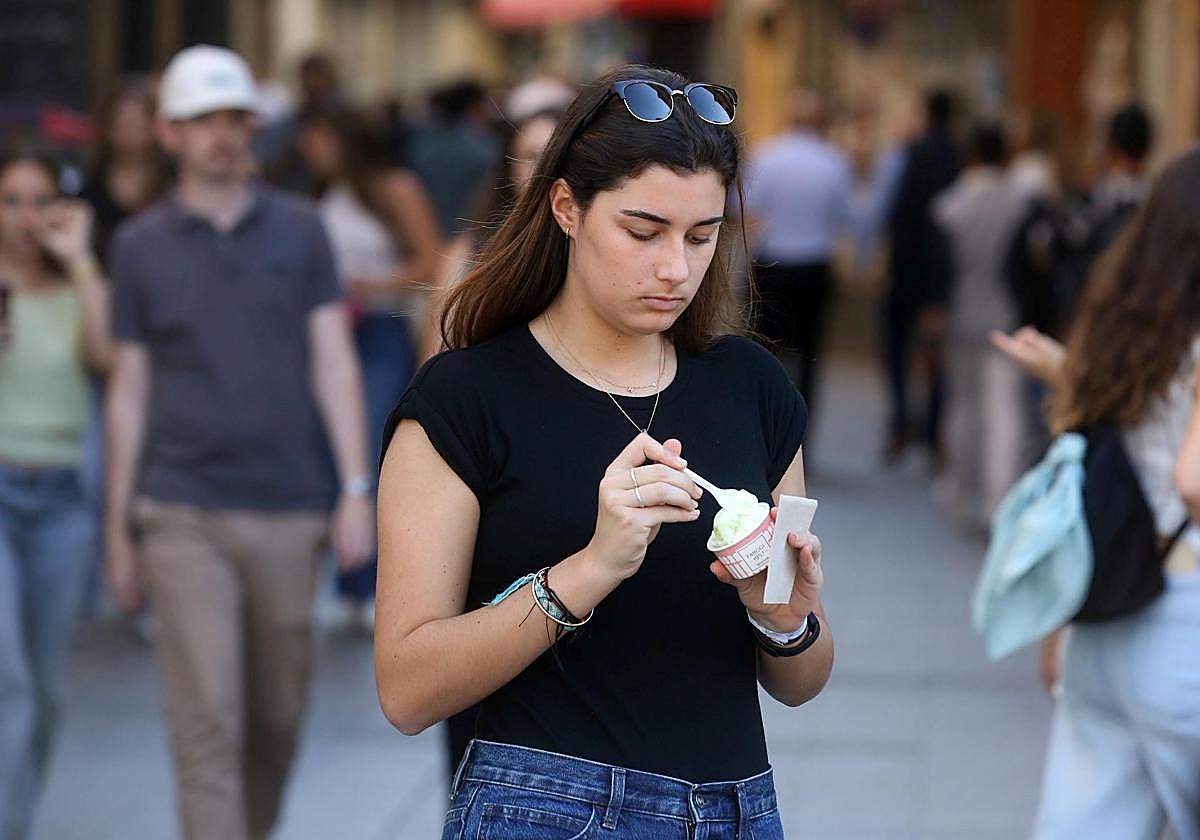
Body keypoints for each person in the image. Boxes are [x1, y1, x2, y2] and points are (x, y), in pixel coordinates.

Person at [375, 65, 833, 839]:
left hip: (733, 808)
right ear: (566, 208)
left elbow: (801, 680)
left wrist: (783, 621)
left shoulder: (750, 387)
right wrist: (588, 570)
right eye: (643, 231)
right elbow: (407, 689)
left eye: (703, 235)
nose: (675, 269)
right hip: (544, 807)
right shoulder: (465, 398)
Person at [104, 46, 374, 840]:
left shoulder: (302, 230)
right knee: (206, 724)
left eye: (233, 120)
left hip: (289, 505)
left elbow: (333, 360)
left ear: (253, 128)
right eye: (201, 121)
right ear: (167, 133)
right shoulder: (140, 246)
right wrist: (121, 524)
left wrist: (356, 490)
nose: (221, 135)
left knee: (279, 718)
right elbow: (129, 388)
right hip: (179, 505)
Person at [992, 149, 1200, 840]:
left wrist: (1061, 626)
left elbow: (1097, 466)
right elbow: (1193, 479)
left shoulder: (1131, 332)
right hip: (1185, 624)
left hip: (1108, 624)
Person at [0, 146, 111, 840]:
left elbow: (104, 356)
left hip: (63, 502)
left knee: (39, 690)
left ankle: (17, 811)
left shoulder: (79, 284)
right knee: (5, 679)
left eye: (41, 201)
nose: (25, 217)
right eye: (10, 200)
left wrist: (81, 259)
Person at [296, 102, 441, 632]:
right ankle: (347, 573)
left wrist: (371, 288)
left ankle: (374, 580)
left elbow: (429, 259)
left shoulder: (394, 187)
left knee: (375, 447)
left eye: (318, 137)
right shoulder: (317, 195)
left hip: (380, 329)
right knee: (331, 447)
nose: (309, 150)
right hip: (328, 330)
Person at [933, 122, 1027, 532]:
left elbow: (937, 270)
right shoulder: (1020, 203)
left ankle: (961, 491)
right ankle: (1000, 501)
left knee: (963, 405)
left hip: (960, 314)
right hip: (1005, 316)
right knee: (1004, 409)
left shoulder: (948, 206)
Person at [744, 89, 855, 424]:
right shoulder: (834, 160)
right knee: (810, 352)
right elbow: (844, 215)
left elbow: (745, 206)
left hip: (773, 262)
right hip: (814, 265)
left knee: (765, 349)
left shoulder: (769, 154)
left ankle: (763, 421)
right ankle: (802, 427)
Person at [419, 106, 563, 364]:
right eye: (531, 156)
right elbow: (435, 357)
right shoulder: (468, 252)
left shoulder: (594, 250)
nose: (543, 169)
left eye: (554, 157)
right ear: (508, 167)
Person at [882, 89, 960, 467]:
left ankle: (900, 422)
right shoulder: (959, 159)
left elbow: (892, 210)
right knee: (936, 354)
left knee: (897, 348)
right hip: (942, 274)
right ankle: (932, 429)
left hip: (906, 269)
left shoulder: (909, 154)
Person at [79, 78, 171, 267]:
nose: (129, 130)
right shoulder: (91, 188)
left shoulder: (175, 182)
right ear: (107, 127)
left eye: (137, 122)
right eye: (121, 122)